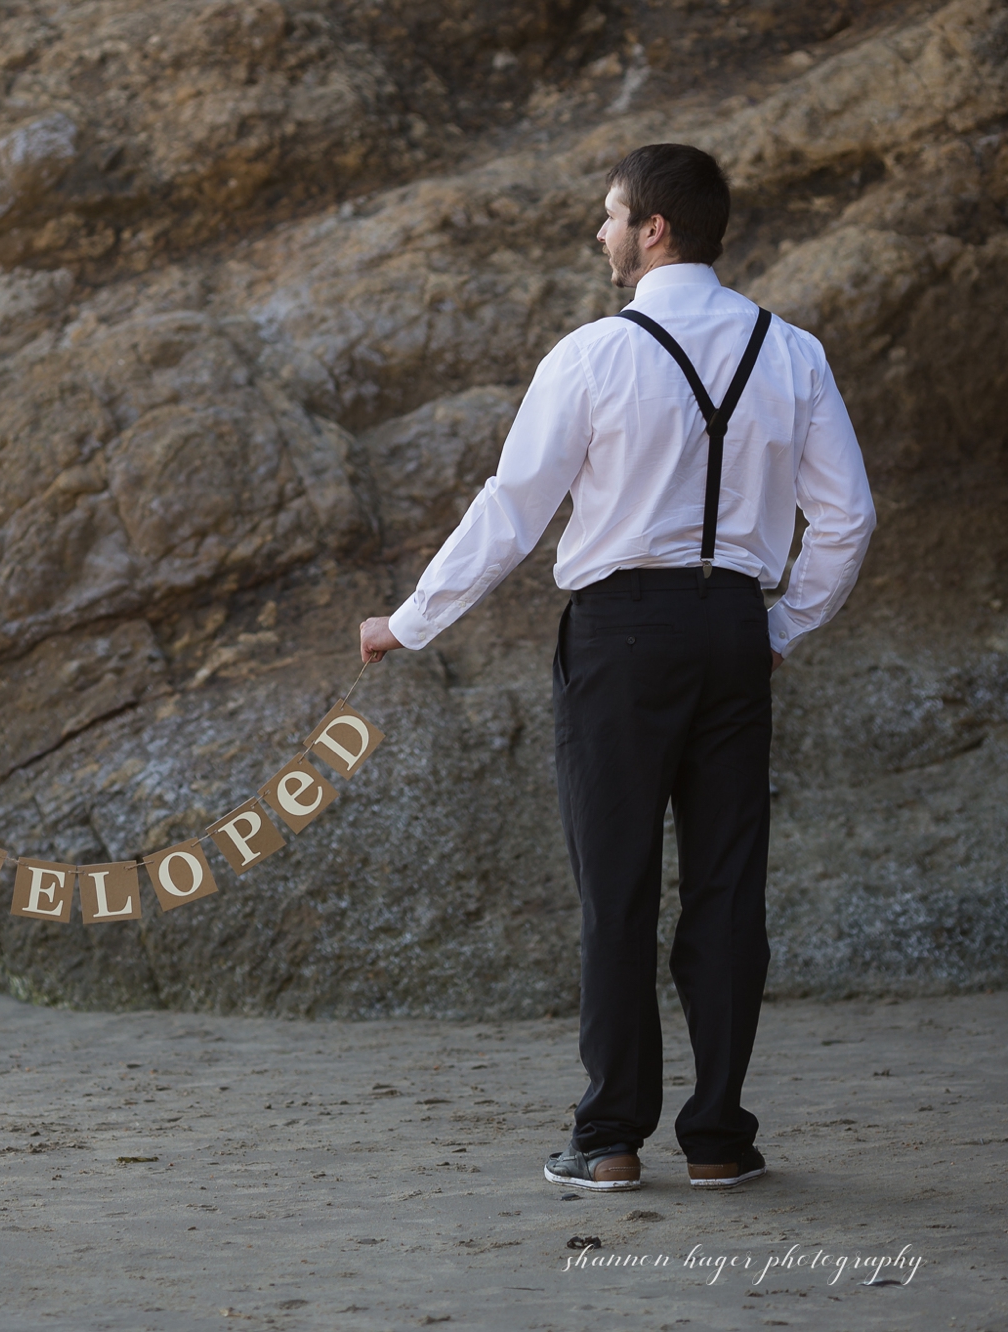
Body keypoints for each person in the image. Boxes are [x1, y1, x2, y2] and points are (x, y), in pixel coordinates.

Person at [358, 145, 875, 1192]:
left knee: (617, 890)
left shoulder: (592, 354)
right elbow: (847, 518)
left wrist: (409, 623)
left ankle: (607, 1139)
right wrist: (778, 627)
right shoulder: (791, 352)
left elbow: (512, 510)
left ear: (653, 230)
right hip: (734, 629)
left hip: (619, 638)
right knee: (728, 890)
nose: (597, 234)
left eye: (607, 216)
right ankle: (719, 1138)